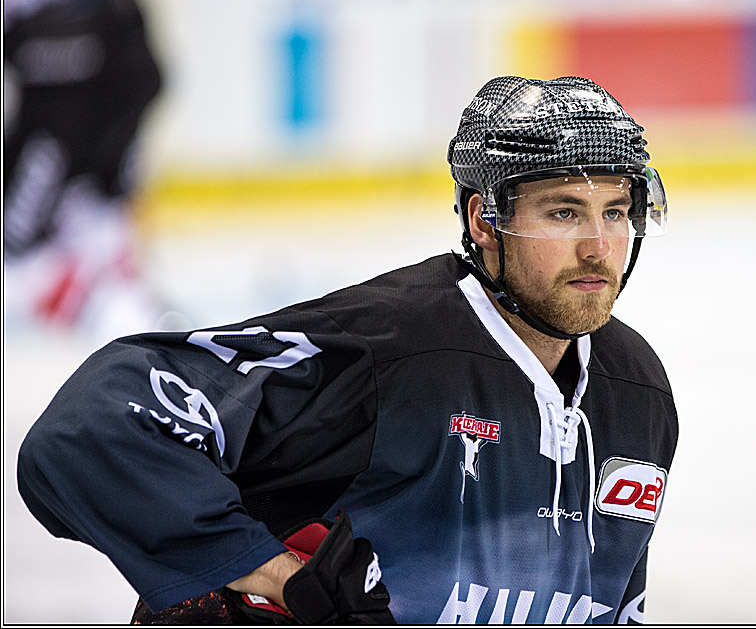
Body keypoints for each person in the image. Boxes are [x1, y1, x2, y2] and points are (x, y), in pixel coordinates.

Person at [18, 75, 678, 624]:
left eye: (617, 211)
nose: (599, 245)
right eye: (564, 212)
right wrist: (281, 577)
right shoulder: (388, 356)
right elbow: (91, 429)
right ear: (484, 220)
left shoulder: (636, 389)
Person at [3, 0, 163, 341]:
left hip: (82, 92)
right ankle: (102, 301)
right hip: (72, 91)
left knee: (20, 253)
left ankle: (106, 299)